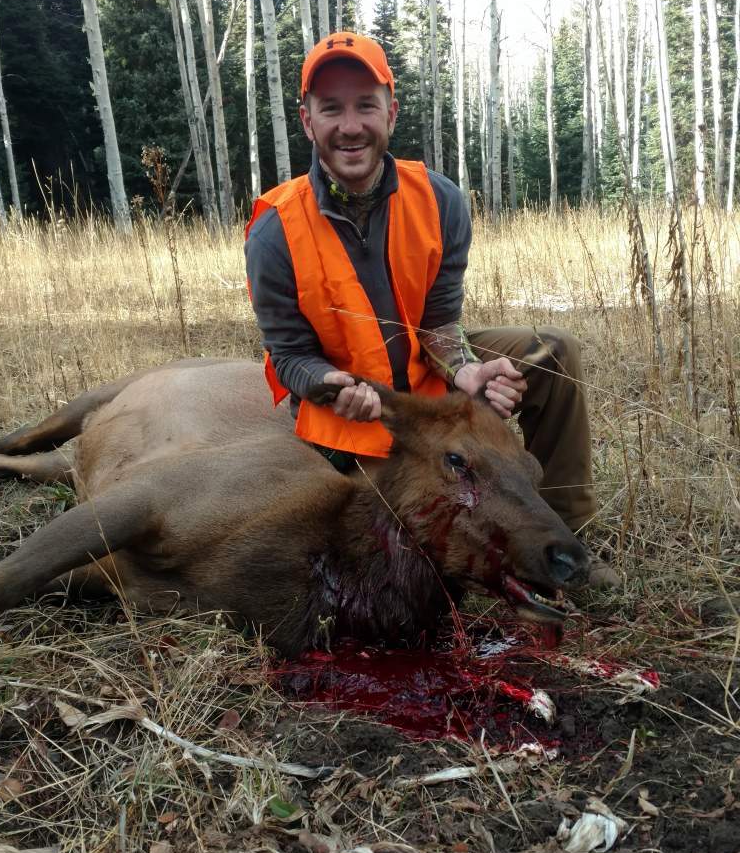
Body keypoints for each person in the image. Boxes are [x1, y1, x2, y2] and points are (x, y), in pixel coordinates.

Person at [245, 31, 617, 589]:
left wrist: (466, 369)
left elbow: (440, 322)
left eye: (366, 105)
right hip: (353, 411)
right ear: (307, 121)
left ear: (390, 113)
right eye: (332, 109)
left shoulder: (439, 200)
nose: (350, 126)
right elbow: (289, 354)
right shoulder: (275, 230)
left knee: (553, 351)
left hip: (425, 378)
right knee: (402, 529)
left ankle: (567, 528)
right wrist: (328, 383)